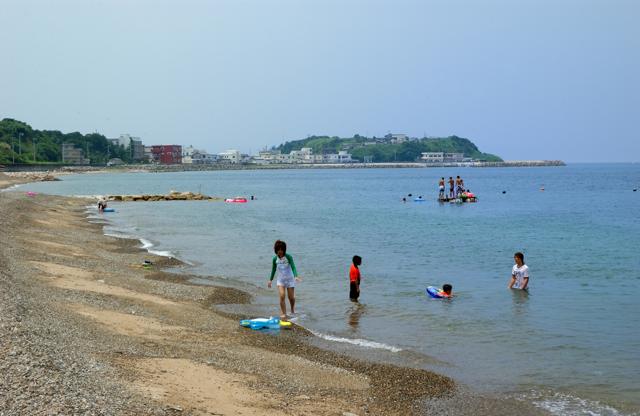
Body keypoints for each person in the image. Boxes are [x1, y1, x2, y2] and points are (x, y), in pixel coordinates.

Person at [268, 240, 301, 320]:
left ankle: (292, 310)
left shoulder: (288, 257)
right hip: (281, 281)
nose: (280, 251)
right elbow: (273, 269)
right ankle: (283, 313)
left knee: (291, 297)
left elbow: (293, 266)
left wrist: (296, 276)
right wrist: (270, 280)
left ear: (284, 250)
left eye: (282, 249)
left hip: (290, 280)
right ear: (276, 250)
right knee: (282, 296)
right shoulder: (274, 259)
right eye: (278, 249)